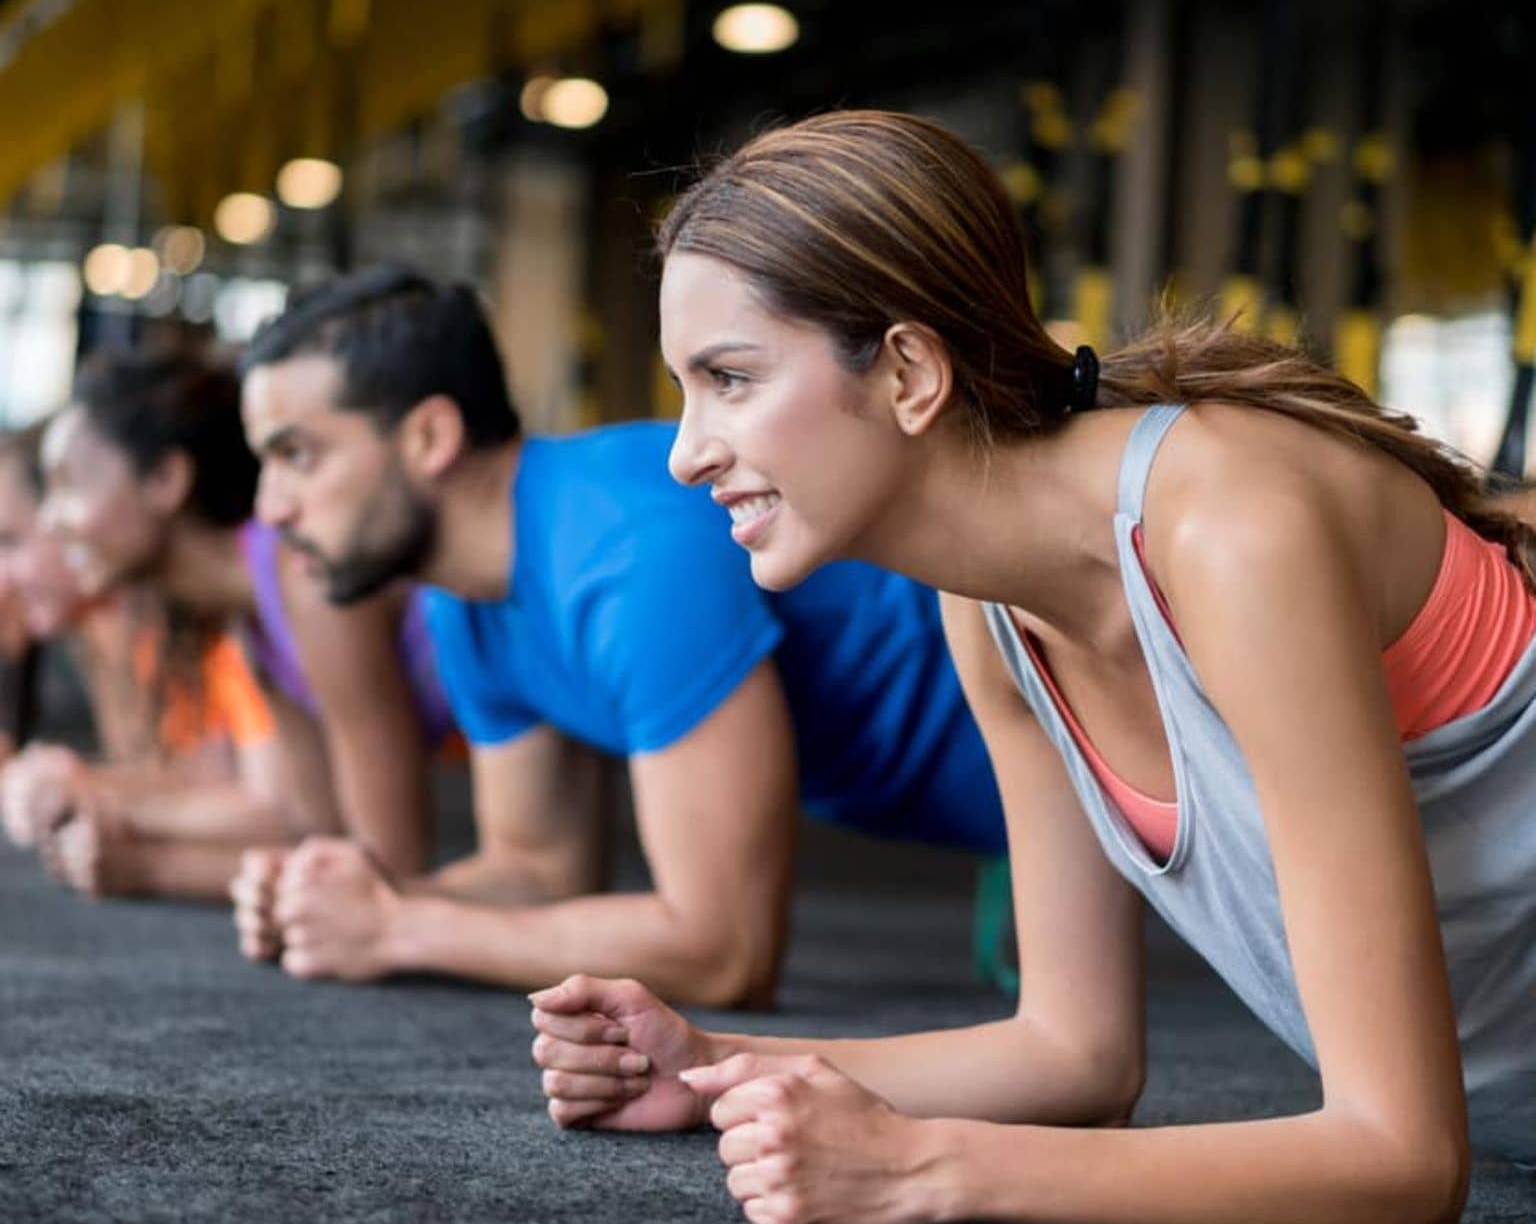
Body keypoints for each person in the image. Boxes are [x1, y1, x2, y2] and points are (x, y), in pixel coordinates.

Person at [530, 109, 1536, 1224]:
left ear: (910, 371)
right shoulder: (992, 605)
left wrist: (922, 1167)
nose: (683, 451)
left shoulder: (1231, 533)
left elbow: (1399, 1165)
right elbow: (1074, 1056)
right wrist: (716, 1067)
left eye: (730, 379)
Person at [230, 264, 1005, 1004]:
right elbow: (536, 870)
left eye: (298, 455)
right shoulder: (464, 600)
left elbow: (726, 951)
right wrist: (347, 900)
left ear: (430, 436)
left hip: (1102, 767)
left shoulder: (623, 552)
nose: (270, 509)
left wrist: (400, 930)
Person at [31, 344, 452, 901]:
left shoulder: (304, 576)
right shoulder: (248, 607)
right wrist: (133, 844)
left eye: (68, 484)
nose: (49, 519)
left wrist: (155, 868)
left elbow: (389, 863)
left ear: (165, 479)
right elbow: (307, 818)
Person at [1, 421, 273, 872]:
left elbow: (255, 794)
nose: (5, 576)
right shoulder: (100, 636)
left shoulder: (211, 609)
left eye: (12, 541)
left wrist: (89, 789)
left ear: (164, 483)